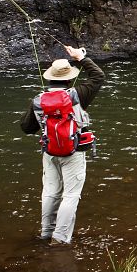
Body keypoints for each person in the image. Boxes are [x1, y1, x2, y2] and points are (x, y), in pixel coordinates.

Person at [20, 44, 105, 246]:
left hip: (49, 152)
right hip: (73, 153)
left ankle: (46, 232)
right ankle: (60, 238)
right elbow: (98, 76)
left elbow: (26, 128)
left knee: (50, 192)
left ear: (49, 78)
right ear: (69, 78)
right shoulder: (79, 94)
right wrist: (80, 57)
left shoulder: (39, 100)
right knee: (71, 195)